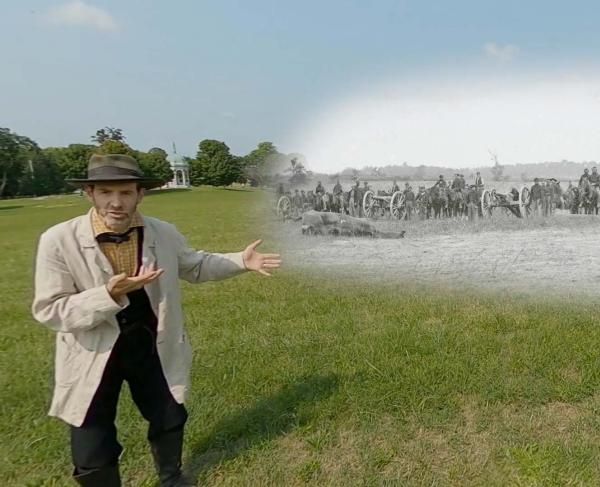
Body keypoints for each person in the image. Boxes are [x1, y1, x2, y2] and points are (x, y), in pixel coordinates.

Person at [31, 154, 281, 487]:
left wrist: (240, 261)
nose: (116, 202)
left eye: (126, 193)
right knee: (91, 435)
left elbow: (194, 266)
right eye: (106, 192)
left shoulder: (162, 232)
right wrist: (108, 294)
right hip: (92, 349)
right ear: (89, 193)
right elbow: (50, 309)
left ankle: (171, 477)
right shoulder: (58, 240)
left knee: (168, 413)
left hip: (148, 340)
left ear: (140, 194)